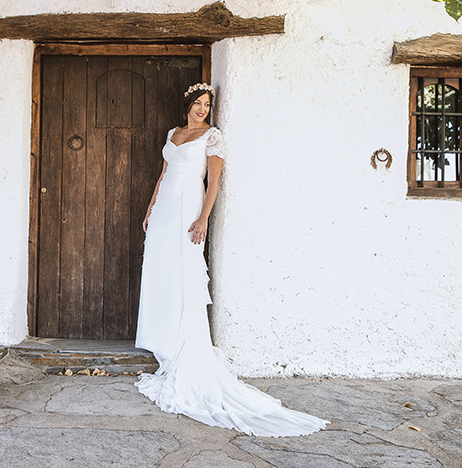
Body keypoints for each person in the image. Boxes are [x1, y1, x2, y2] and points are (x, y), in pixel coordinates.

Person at [135, 82, 328, 437]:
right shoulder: (174, 133)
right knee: (161, 273)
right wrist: (150, 207)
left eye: (207, 104)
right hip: (164, 210)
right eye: (198, 103)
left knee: (185, 275)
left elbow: (213, 183)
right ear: (187, 104)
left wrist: (203, 217)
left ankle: (183, 345)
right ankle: (163, 338)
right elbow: (163, 174)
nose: (202, 109)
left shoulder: (213, 137)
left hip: (188, 208)